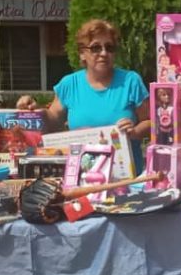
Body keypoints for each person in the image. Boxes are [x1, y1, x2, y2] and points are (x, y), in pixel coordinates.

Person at [16, 18, 150, 173]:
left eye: (109, 47)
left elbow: (151, 123)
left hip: (126, 176)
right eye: (95, 48)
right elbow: (53, 120)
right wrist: (33, 110)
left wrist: (135, 132)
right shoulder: (69, 84)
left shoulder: (130, 81)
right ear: (82, 54)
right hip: (81, 175)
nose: (104, 53)